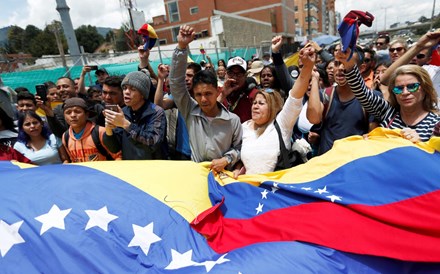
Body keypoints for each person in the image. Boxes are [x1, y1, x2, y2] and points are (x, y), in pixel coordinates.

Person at [169, 25, 242, 172]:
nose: (203, 99)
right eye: (198, 95)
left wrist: (226, 159)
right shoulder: (190, 111)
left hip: (224, 178)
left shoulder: (233, 120)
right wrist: (182, 47)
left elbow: (240, 148)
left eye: (208, 94)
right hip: (197, 177)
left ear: (218, 91)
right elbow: (176, 83)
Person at [233, 45, 314, 177]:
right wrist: (238, 168)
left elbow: (295, 96)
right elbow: (239, 152)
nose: (255, 106)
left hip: (276, 192)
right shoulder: (244, 127)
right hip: (251, 189)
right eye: (254, 103)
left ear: (272, 107)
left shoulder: (282, 124)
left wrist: (307, 67)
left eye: (261, 103)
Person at [338, 48, 440, 142]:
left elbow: (435, 159)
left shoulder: (435, 124)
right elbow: (362, 92)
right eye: (398, 89)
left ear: (425, 88)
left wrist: (420, 144)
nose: (405, 92)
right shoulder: (387, 112)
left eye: (412, 87)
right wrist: (349, 63)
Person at [307, 44, 380, 155]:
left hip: (354, 164)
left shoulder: (372, 98)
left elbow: (373, 136)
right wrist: (314, 78)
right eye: (337, 63)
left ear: (361, 68)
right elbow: (313, 118)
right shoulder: (325, 95)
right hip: (327, 164)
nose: (340, 68)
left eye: (346, 63)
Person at [103, 71, 167, 160]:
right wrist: (108, 129)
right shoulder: (123, 112)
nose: (127, 92)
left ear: (142, 94)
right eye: (124, 88)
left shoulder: (156, 112)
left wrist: (126, 125)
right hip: (131, 169)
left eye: (133, 89)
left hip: (154, 168)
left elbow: (152, 143)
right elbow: (114, 148)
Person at [62, 98, 120, 162]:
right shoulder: (66, 136)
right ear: (64, 116)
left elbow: (118, 156)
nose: (73, 115)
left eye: (77, 111)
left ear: (87, 114)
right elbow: (73, 160)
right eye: (68, 112)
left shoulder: (100, 132)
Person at [219, 56, 259, 123]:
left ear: (245, 75)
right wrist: (223, 95)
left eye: (239, 74)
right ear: (225, 74)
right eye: (231, 73)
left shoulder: (254, 95)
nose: (235, 78)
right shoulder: (218, 92)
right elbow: (209, 114)